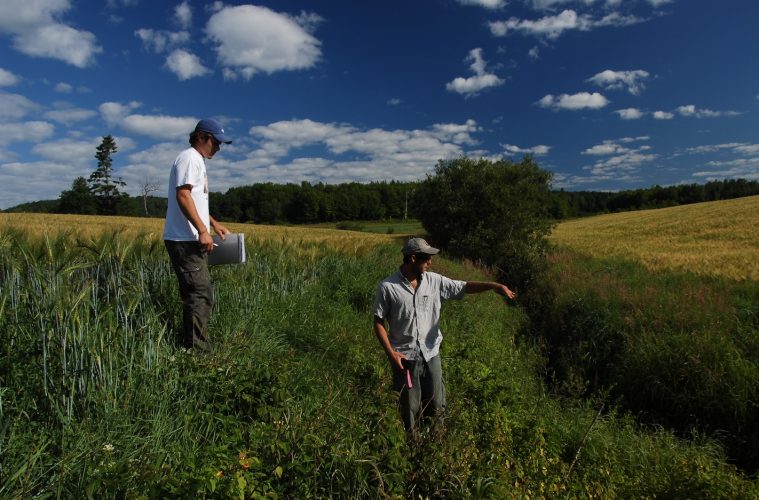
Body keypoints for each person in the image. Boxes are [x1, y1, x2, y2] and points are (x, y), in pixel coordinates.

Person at [372, 237, 517, 433]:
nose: (431, 262)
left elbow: (464, 287)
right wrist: (391, 353)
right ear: (413, 258)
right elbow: (378, 321)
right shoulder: (388, 287)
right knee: (409, 408)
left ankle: (435, 444)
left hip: (431, 355)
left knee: (437, 405)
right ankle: (411, 448)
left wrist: (493, 286)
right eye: (427, 258)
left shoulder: (434, 281)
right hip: (405, 360)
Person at [163, 118, 232, 350]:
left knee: (198, 293)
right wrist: (202, 231)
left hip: (191, 238)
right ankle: (197, 353)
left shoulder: (197, 161)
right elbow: (183, 195)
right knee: (199, 294)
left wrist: (213, 224)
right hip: (185, 240)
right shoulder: (190, 158)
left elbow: (195, 200)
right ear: (202, 137)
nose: (219, 148)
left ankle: (194, 347)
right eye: (215, 142)